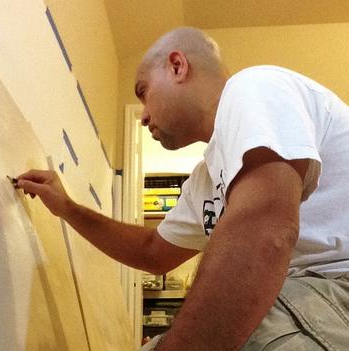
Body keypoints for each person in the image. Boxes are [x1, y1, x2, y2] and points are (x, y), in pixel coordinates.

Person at [17, 27, 349, 350]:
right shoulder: (205, 181)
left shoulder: (253, 87)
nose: (143, 117)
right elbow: (153, 251)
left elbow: (265, 233)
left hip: (335, 287)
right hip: (303, 292)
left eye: (143, 92)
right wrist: (68, 208)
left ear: (177, 66)